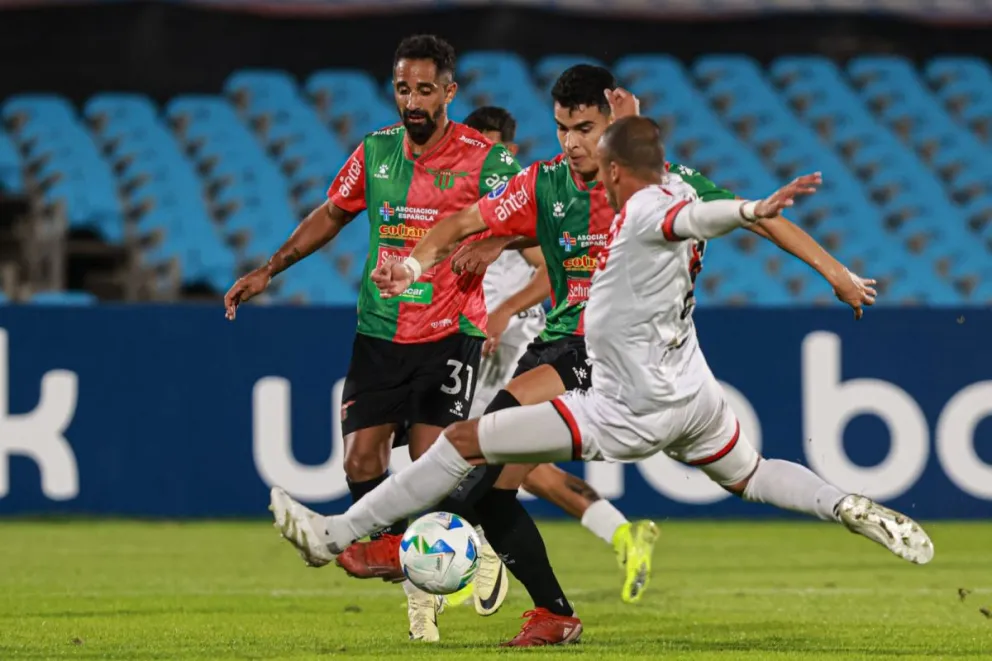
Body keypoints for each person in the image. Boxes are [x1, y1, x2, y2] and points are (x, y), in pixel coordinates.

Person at [268, 116, 934, 648]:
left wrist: (751, 209)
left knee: (466, 441)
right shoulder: (669, 187)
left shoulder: (643, 210)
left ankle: (342, 536)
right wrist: (761, 216)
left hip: (625, 406)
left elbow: (692, 221)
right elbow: (697, 215)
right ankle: (844, 505)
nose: (578, 152)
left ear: (616, 168)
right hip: (693, 393)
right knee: (752, 473)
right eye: (565, 128)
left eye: (590, 137)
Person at [224, 34, 522, 640]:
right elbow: (333, 213)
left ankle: (442, 575)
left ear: (449, 92)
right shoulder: (377, 150)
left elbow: (534, 212)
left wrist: (494, 242)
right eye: (403, 89)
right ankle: (430, 560)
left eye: (425, 90)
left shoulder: (483, 158)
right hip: (380, 330)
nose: (412, 101)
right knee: (360, 460)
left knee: (430, 465)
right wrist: (271, 268)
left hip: (449, 332)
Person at [448, 105, 660, 610]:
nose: (480, 157)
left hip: (513, 344)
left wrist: (503, 310)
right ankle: (621, 533)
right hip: (479, 343)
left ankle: (477, 559)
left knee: (484, 454)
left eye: (490, 147)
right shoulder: (467, 204)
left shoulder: (528, 199)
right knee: (521, 465)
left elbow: (550, 268)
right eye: (471, 146)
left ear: (509, 150)